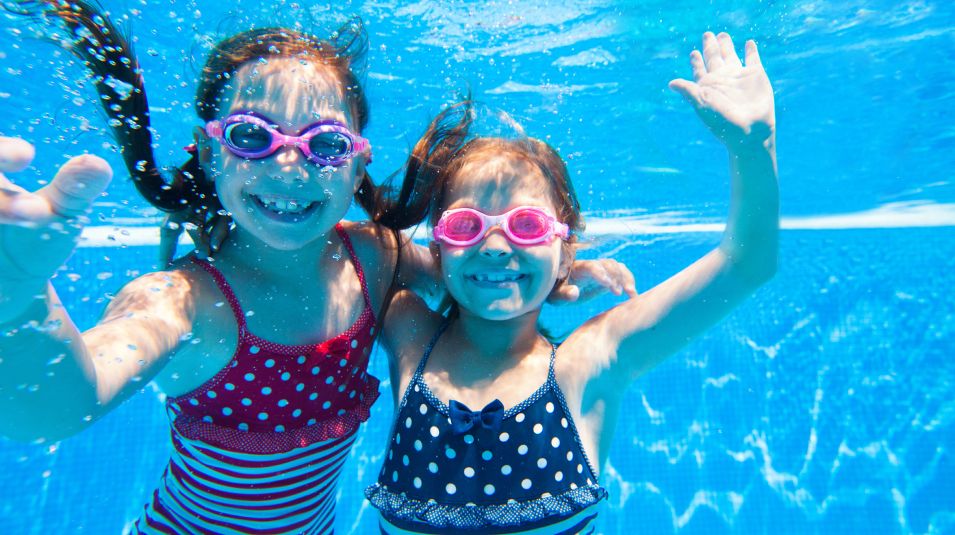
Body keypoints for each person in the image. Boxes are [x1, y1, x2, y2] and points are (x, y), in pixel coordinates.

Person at [0, 2, 633, 533]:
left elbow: (468, 274)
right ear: (209, 152)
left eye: (326, 144)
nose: (289, 167)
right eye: (253, 136)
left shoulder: (373, 259)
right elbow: (57, 408)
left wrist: (559, 275)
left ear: (358, 166)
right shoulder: (180, 302)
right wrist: (18, 299)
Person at [365, 31, 778, 533]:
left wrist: (754, 147)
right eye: (466, 226)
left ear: (565, 251)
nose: (495, 247)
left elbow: (745, 265)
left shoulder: (591, 360)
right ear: (436, 246)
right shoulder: (409, 331)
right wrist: (541, 276)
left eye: (527, 227)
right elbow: (357, 252)